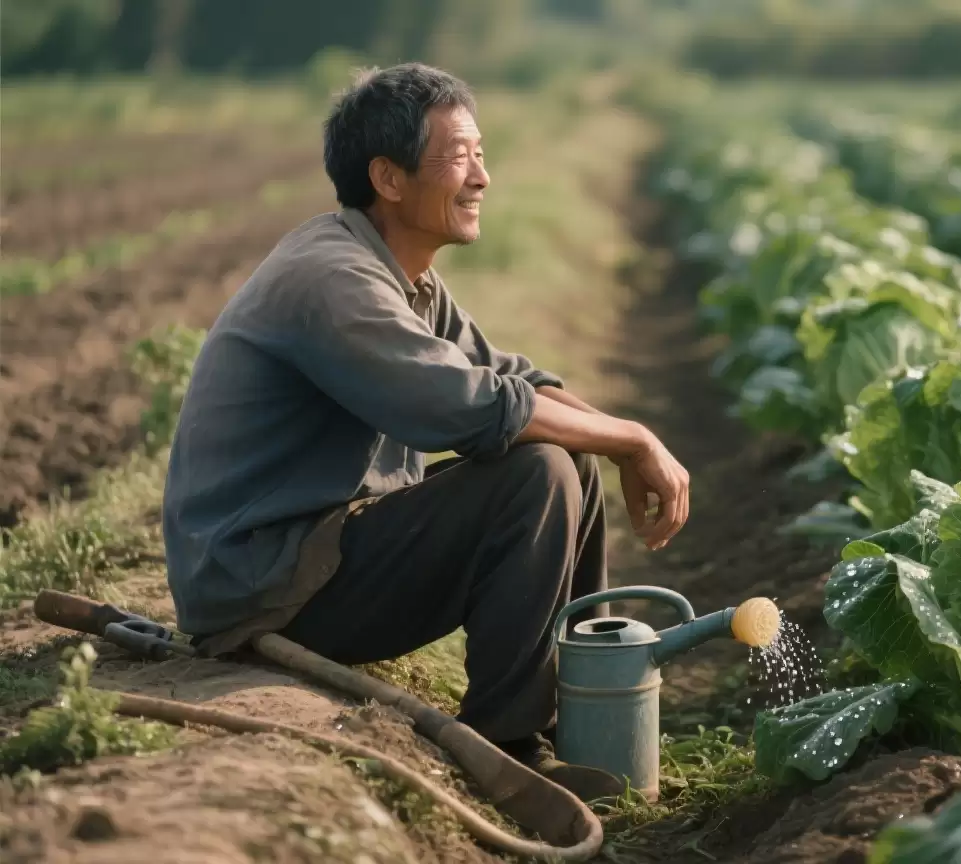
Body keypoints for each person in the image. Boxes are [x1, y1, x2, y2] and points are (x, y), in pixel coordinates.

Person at [160, 62, 690, 801]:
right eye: (460, 156)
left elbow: (517, 378)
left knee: (567, 459)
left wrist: (621, 435)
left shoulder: (405, 279)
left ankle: (584, 716)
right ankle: (509, 747)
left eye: (482, 155)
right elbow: (467, 408)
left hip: (321, 552)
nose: (482, 178)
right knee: (535, 475)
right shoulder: (334, 281)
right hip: (264, 582)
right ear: (389, 177)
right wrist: (630, 439)